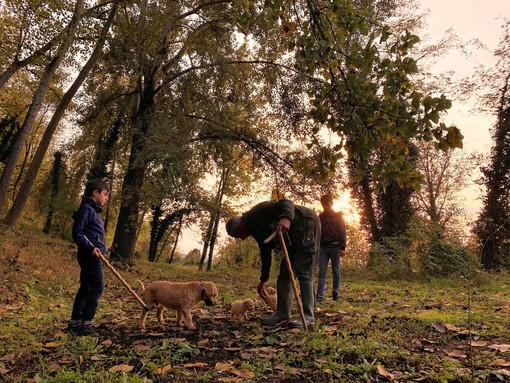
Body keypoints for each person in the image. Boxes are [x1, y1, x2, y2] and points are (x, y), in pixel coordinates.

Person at [225, 199, 320, 328]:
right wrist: (263, 280)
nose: (241, 238)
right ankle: (282, 313)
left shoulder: (258, 211)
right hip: (291, 238)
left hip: (307, 225)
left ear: (239, 227)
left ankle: (308, 316)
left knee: (304, 270)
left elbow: (287, 203)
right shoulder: (255, 229)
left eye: (238, 235)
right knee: (285, 272)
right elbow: (265, 251)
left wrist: (286, 217)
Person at [66, 179, 110, 337]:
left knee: (85, 288)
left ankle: (75, 322)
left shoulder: (93, 211)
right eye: (105, 194)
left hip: (92, 254)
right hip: (89, 256)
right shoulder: (86, 209)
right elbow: (77, 232)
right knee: (97, 287)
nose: (106, 198)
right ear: (95, 193)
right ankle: (86, 324)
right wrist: (91, 248)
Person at [316, 194, 346, 303]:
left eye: (327, 204)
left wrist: (343, 247)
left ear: (331, 204)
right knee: (322, 272)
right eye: (324, 205)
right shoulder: (320, 217)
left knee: (336, 271)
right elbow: (318, 232)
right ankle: (319, 297)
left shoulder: (338, 216)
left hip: (335, 247)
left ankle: (335, 295)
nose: (326, 207)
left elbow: (342, 231)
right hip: (323, 247)